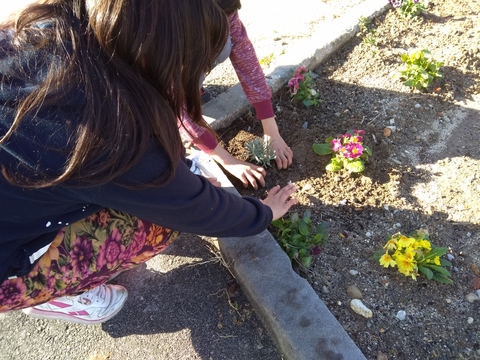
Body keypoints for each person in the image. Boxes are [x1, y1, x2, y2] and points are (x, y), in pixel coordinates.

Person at [0, 0, 297, 325]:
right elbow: (199, 211)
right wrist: (263, 213)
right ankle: (63, 296)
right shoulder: (115, 134)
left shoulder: (51, 24)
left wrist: (178, 178)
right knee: (158, 226)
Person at [178, 0, 294, 190]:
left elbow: (245, 57)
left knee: (223, 43)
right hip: (138, 83)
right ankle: (186, 86)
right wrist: (228, 161)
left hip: (185, 48)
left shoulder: (222, 6)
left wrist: (271, 130)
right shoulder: (162, 34)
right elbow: (175, 110)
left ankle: (191, 86)